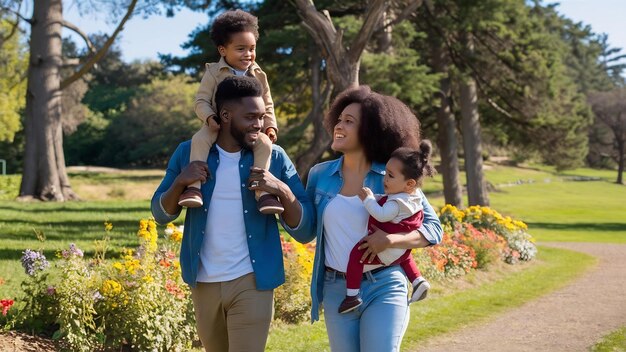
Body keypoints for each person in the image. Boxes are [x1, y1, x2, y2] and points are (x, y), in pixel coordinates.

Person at [151, 76, 314, 352]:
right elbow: (160, 213)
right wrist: (181, 181)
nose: (259, 125)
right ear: (225, 115)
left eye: (262, 117)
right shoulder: (189, 152)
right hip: (203, 281)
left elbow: (306, 228)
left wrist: (282, 191)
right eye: (250, 117)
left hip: (253, 280)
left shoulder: (274, 157)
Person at [285, 85, 443, 352]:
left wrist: (391, 239)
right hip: (337, 289)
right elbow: (305, 232)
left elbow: (433, 229)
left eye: (349, 121)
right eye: (339, 119)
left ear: (370, 131)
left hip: (385, 284)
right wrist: (284, 196)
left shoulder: (391, 176)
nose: (339, 125)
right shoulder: (319, 174)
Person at [178, 9, 284, 215]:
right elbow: (200, 100)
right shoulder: (213, 72)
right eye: (241, 49)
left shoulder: (259, 74)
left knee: (264, 144)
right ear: (223, 50)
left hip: (249, 128)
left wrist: (271, 125)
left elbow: (267, 103)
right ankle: (194, 188)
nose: (248, 54)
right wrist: (209, 117)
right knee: (199, 141)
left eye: (252, 48)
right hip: (217, 125)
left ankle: (262, 192)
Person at [339, 141, 436, 314]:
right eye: (385, 173)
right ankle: (418, 280)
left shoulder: (397, 202)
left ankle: (352, 296)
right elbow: (387, 201)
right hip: (401, 248)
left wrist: (368, 200)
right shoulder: (411, 197)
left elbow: (382, 214)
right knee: (405, 258)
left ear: (410, 184)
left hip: (386, 248)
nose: (384, 179)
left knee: (356, 256)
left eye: (390, 176)